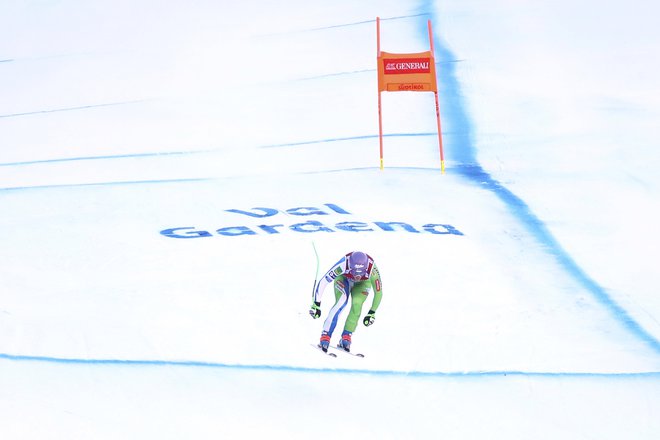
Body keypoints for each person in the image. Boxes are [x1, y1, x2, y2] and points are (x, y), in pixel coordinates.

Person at [309, 251, 382, 352]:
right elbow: (324, 281)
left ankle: (347, 335)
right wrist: (316, 304)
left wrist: (372, 312)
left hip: (363, 284)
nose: (357, 276)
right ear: (350, 266)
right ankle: (326, 334)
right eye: (355, 272)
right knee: (341, 302)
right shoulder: (343, 264)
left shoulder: (372, 269)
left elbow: (378, 292)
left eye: (360, 273)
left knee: (357, 304)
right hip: (344, 278)